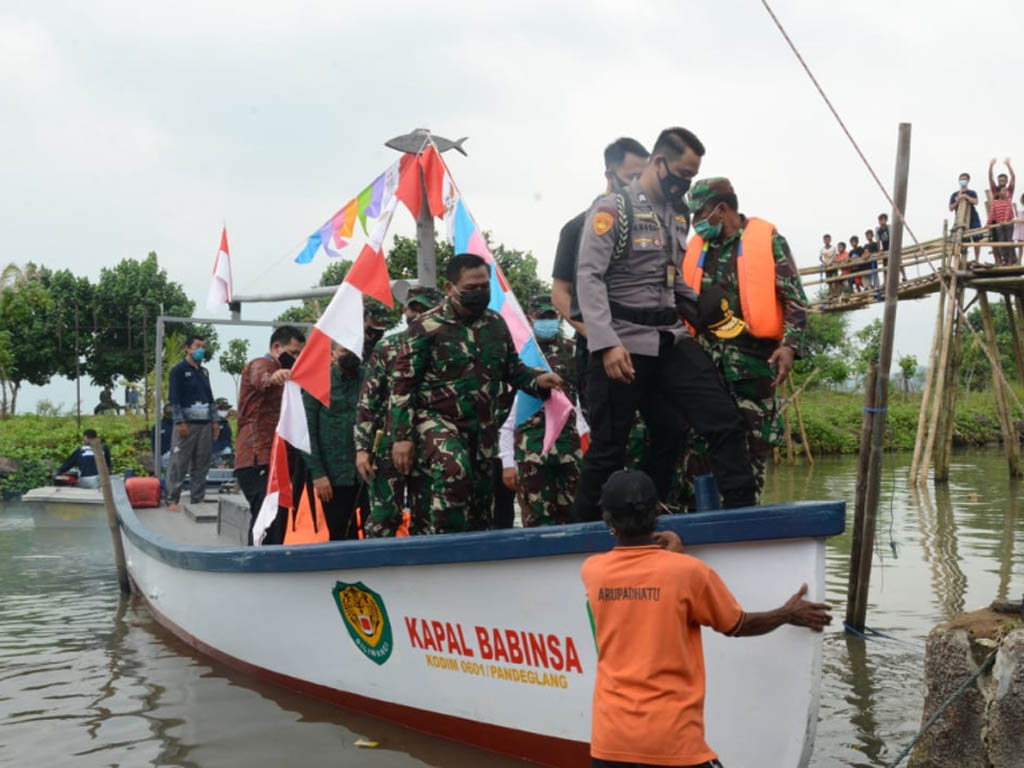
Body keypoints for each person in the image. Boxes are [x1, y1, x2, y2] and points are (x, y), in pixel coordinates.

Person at [581, 469, 832, 768]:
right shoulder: (687, 573)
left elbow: (637, 580)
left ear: (607, 519)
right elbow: (738, 625)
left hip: (610, 744)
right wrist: (786, 614)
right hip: (672, 743)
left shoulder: (592, 572)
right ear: (657, 510)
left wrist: (671, 560)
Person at [572, 126, 755, 521]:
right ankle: (582, 537)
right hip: (622, 343)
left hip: (668, 338)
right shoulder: (612, 210)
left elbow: (670, 278)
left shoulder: (676, 215)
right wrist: (604, 344)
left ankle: (742, 517)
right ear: (659, 163)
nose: (685, 184)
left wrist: (707, 309)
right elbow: (588, 277)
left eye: (691, 177)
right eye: (683, 174)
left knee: (720, 420)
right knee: (608, 449)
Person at [389, 253, 563, 533]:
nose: (479, 293)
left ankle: (472, 558)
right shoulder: (426, 327)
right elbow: (402, 386)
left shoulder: (495, 324)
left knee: (481, 503)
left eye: (484, 286)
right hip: (436, 421)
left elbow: (512, 369)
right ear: (450, 288)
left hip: (481, 428)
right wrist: (401, 438)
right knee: (453, 470)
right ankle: (447, 546)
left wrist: (539, 380)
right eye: (471, 289)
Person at [681, 177, 808, 502]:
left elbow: (795, 300)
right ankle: (706, 528)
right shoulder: (698, 250)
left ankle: (746, 530)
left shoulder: (767, 242)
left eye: (700, 214)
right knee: (700, 457)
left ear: (721, 210)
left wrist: (789, 346)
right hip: (706, 373)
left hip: (753, 371)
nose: (696, 224)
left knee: (750, 457)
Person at [551, 137, 650, 416]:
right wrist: (605, 340)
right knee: (607, 445)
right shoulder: (578, 228)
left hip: (649, 350)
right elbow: (560, 295)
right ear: (610, 175)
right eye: (633, 177)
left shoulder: (652, 226)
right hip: (601, 357)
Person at [357, 287, 444, 537]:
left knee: (428, 519)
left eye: (423, 309)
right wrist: (362, 448)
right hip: (387, 444)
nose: (415, 314)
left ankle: (424, 574)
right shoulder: (388, 347)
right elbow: (367, 402)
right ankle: (378, 573)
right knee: (383, 518)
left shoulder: (447, 347)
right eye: (412, 308)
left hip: (431, 444)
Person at [499, 294, 582, 526]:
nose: (547, 321)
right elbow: (507, 413)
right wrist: (507, 461)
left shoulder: (573, 352)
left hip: (569, 446)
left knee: (575, 518)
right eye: (542, 316)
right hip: (531, 450)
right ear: (529, 318)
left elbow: (584, 401)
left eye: (551, 316)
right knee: (536, 521)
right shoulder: (517, 354)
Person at [234, 325, 306, 543]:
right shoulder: (262, 364)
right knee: (267, 518)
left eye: (298, 354)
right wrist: (273, 376)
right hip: (258, 457)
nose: (295, 358)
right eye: (292, 353)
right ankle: (257, 564)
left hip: (274, 458)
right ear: (277, 347)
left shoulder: (291, 377)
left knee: (273, 517)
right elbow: (260, 377)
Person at [302, 340, 366, 540]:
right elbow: (306, 432)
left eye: (354, 350)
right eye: (344, 350)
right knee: (339, 532)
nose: (349, 355)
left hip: (367, 473)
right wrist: (318, 474)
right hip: (333, 475)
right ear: (332, 354)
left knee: (372, 531)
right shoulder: (318, 382)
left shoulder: (368, 378)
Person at [166, 334, 219, 511]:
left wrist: (215, 421)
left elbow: (210, 398)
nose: (200, 350)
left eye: (202, 347)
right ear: (188, 348)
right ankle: (172, 500)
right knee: (179, 462)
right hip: (186, 424)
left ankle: (198, 498)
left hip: (205, 424)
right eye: (197, 346)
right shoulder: (178, 370)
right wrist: (179, 421)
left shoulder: (204, 372)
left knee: (202, 462)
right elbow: (173, 398)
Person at [949, 172, 983, 260]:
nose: (962, 181)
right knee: (961, 239)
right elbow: (951, 208)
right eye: (961, 179)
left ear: (968, 181)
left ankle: (976, 259)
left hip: (973, 217)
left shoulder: (971, 192)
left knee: (977, 238)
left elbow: (975, 202)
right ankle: (961, 260)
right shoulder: (954, 194)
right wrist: (958, 199)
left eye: (964, 179)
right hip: (960, 219)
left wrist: (966, 196)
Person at [211, 397, 233, 467]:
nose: (224, 411)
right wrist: (218, 462)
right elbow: (212, 444)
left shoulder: (225, 423)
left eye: (226, 408)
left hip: (227, 458)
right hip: (216, 460)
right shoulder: (213, 424)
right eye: (221, 408)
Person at [862, 228, 881, 296]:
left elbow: (878, 251)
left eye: (870, 235)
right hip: (866, 265)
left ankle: (878, 289)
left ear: (872, 235)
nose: (868, 237)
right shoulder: (865, 246)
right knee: (866, 277)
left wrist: (870, 254)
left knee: (875, 276)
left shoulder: (875, 244)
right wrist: (864, 255)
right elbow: (863, 254)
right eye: (867, 236)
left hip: (873, 264)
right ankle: (869, 289)